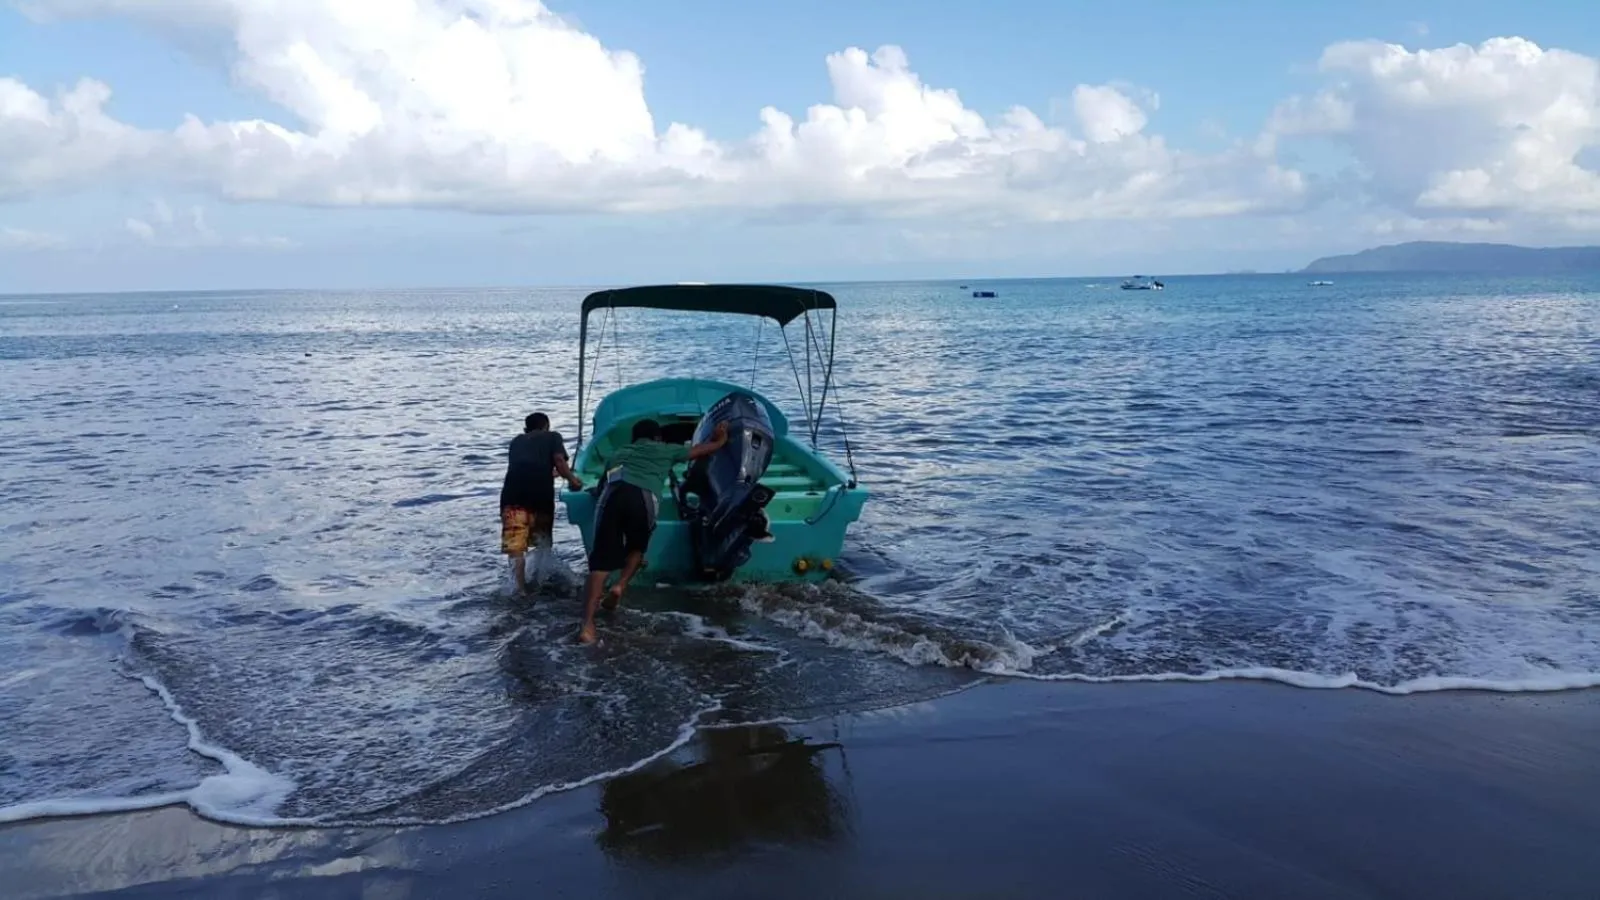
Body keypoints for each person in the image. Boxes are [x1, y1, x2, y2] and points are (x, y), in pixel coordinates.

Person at [579, 418, 728, 644]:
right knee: (638, 547)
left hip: (613, 495)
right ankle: (620, 585)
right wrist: (720, 439)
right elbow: (700, 451)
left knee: (600, 564)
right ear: (657, 437)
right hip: (643, 497)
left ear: (634, 438)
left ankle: (588, 626)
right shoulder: (666, 449)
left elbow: (601, 487)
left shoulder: (619, 453)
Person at [501, 412, 583, 596]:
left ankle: (519, 590)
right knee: (542, 544)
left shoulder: (516, 441)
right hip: (539, 498)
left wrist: (553, 473)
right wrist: (573, 480)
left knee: (516, 548)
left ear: (525, 429)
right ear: (546, 426)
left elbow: (526, 467)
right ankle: (539, 583)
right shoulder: (553, 437)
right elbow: (560, 462)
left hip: (512, 497)